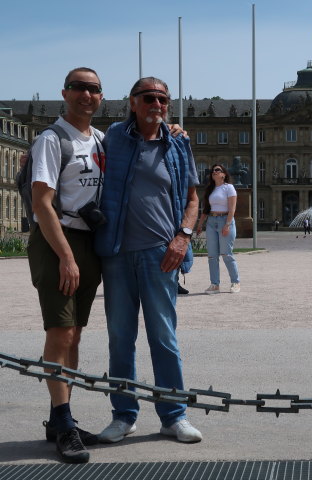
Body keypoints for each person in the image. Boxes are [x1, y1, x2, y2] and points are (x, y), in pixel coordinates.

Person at [94, 77, 202, 444]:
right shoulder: (112, 137)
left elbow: (192, 199)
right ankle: (124, 416)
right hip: (119, 252)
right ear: (133, 102)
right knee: (120, 338)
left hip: (162, 253)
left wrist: (182, 238)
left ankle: (174, 416)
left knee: (164, 337)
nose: (156, 103)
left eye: (163, 99)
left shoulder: (178, 143)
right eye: (149, 98)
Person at [28, 67, 104, 463]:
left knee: (74, 335)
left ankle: (63, 420)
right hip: (58, 242)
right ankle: (63, 420)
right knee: (59, 332)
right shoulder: (51, 139)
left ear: (101, 97)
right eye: (78, 88)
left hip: (88, 242)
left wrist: (173, 130)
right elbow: (42, 203)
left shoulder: (101, 140)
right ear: (65, 92)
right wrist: (67, 257)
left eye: (92, 89)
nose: (85, 95)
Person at [195, 164, 240, 294]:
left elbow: (232, 209)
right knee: (212, 256)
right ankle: (215, 284)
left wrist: (227, 224)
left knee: (226, 254)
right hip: (211, 222)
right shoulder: (210, 189)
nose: (214, 172)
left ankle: (235, 282)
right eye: (212, 170)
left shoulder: (229, 188)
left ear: (223, 174)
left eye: (217, 170)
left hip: (224, 220)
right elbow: (206, 210)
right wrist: (200, 224)